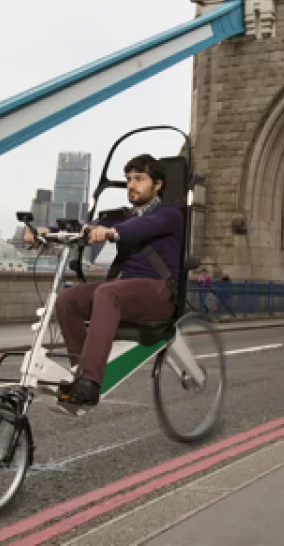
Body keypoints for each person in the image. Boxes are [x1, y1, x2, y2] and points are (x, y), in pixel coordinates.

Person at [27, 154, 182, 413]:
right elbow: (85, 227)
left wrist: (112, 233)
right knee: (69, 300)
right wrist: (44, 231)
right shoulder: (120, 215)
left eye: (139, 179)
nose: (132, 185)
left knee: (108, 293)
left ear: (157, 185)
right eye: (129, 179)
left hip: (160, 291)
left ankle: (90, 382)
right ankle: (81, 370)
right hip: (127, 290)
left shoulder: (170, 214)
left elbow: (143, 226)